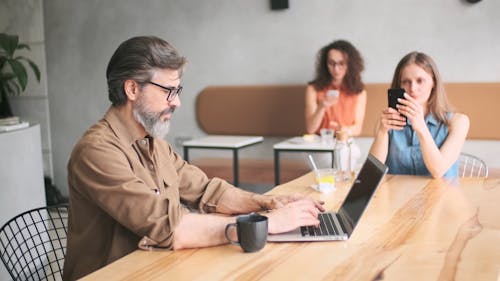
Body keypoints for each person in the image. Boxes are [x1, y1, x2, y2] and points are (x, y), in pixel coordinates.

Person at [62, 36, 324, 280]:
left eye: (178, 91)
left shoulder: (155, 145)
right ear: (132, 89)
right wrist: (267, 223)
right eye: (169, 90)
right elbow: (170, 227)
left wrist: (268, 202)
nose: (176, 102)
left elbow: (207, 191)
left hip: (157, 268)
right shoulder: (96, 152)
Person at [369, 51, 469, 178]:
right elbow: (372, 174)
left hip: (440, 196)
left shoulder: (459, 121)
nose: (412, 88)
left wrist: (421, 127)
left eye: (420, 81)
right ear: (399, 85)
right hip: (398, 196)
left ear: (434, 83)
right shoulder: (387, 122)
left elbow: (438, 170)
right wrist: (382, 132)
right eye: (406, 81)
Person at [305, 39, 367, 136]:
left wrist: (344, 129)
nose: (336, 69)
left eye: (341, 63)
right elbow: (310, 129)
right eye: (331, 63)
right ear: (325, 64)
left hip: (344, 140)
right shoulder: (313, 88)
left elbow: (357, 129)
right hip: (319, 142)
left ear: (350, 64)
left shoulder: (359, 92)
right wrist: (321, 107)